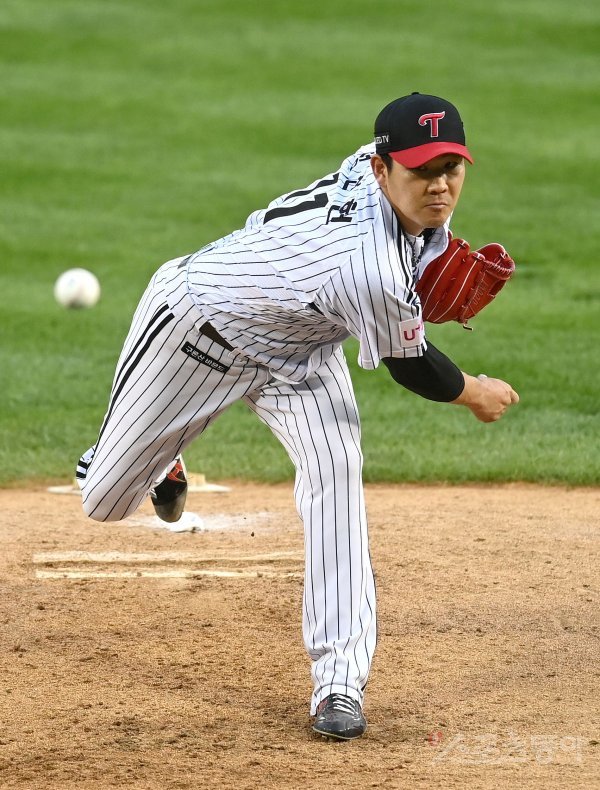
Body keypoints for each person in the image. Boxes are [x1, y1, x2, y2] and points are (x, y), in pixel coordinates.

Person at [76, 92, 519, 741]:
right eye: (422, 171)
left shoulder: (373, 165)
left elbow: (411, 237)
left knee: (336, 469)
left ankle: (340, 682)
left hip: (303, 349)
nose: (440, 186)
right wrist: (476, 391)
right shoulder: (368, 268)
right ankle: (161, 457)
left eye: (451, 167)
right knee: (104, 502)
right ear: (382, 168)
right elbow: (412, 367)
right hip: (196, 330)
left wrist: (427, 254)